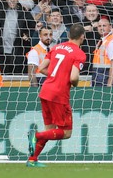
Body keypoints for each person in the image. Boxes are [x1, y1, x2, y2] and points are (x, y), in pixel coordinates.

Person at [27, 23, 86, 167]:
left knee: (50, 131)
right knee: (66, 133)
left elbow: (40, 68)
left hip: (46, 91)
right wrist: (74, 83)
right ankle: (36, 136)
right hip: (59, 95)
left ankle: (32, 160)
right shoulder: (79, 54)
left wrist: (55, 75)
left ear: (68, 35)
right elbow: (73, 78)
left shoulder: (56, 47)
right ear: (82, 37)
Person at [92, 18, 113, 86]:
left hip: (106, 81)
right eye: (99, 26)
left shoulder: (112, 41)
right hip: (99, 80)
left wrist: (109, 84)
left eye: (104, 26)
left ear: (110, 27)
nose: (101, 28)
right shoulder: (102, 41)